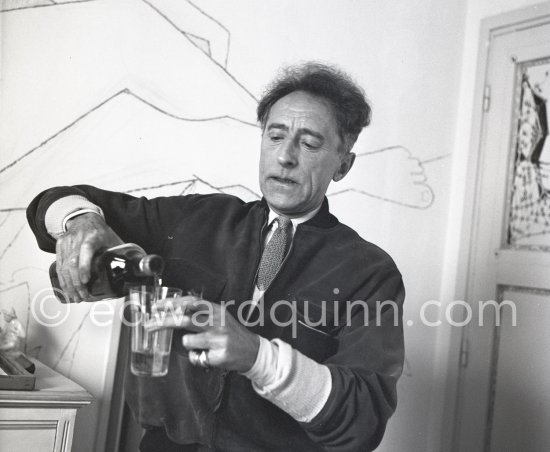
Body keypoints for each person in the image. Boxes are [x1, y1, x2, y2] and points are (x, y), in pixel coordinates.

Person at [27, 62, 405, 452]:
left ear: (343, 165)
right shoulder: (198, 218)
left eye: (309, 144)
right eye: (276, 137)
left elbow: (362, 421)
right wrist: (82, 221)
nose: (285, 157)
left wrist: (257, 356)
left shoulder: (370, 272)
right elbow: (54, 201)